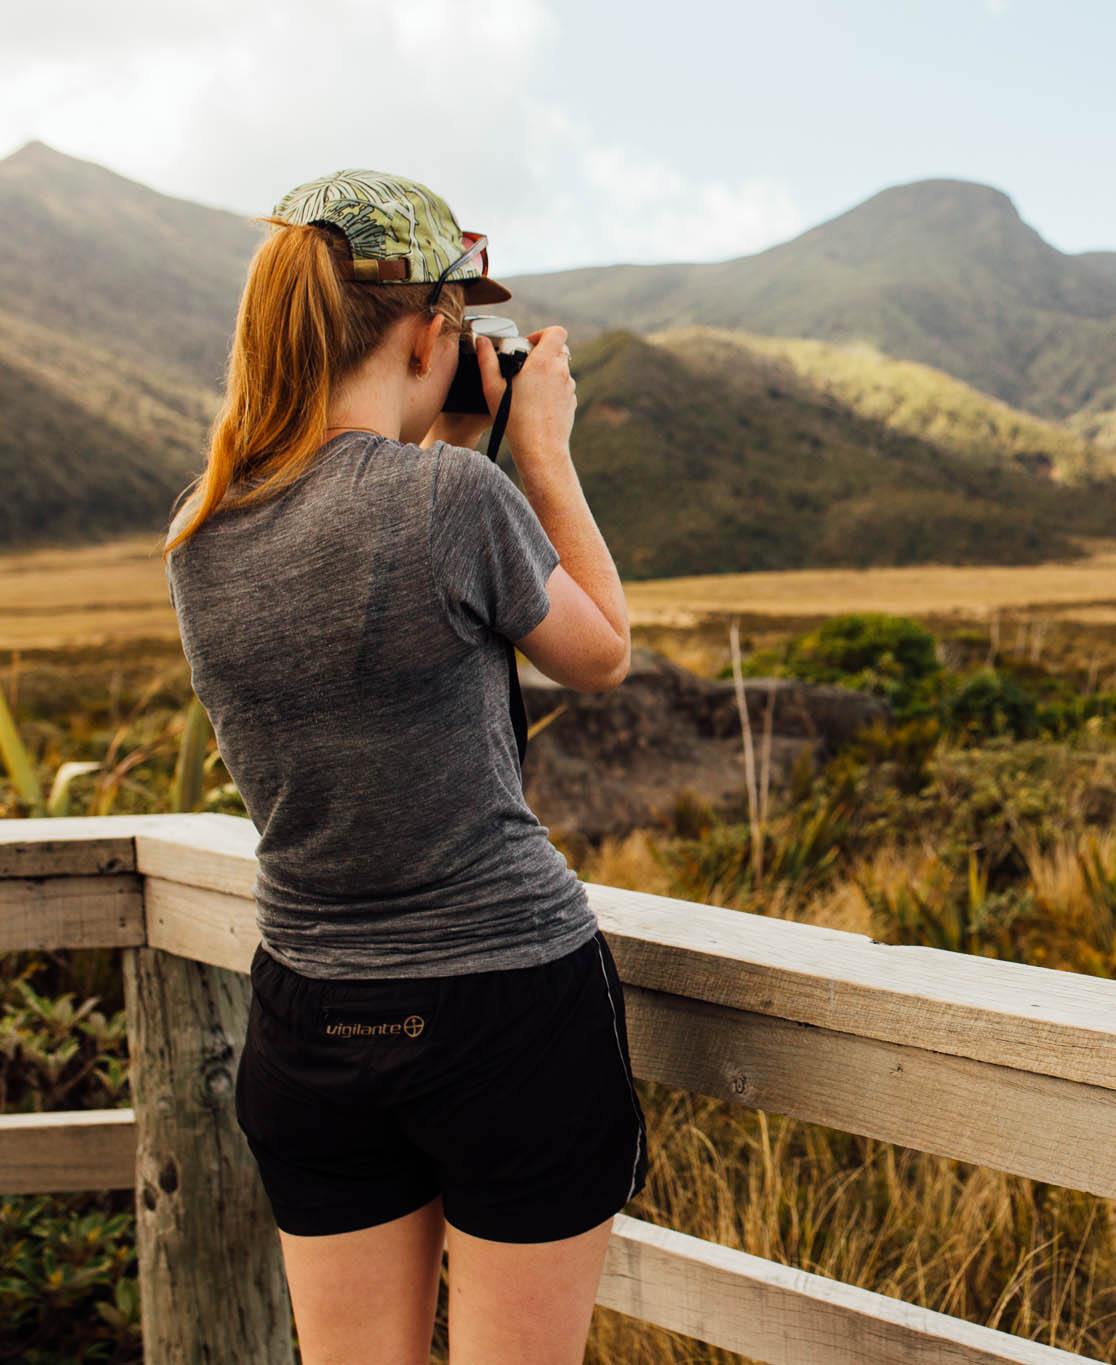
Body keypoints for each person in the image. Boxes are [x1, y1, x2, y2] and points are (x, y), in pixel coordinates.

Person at [159, 169, 646, 1364]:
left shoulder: (204, 529)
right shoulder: (454, 498)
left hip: (311, 1020)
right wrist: (541, 451)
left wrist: (454, 434)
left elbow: (370, 563)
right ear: (435, 328)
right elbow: (600, 653)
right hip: (505, 1011)